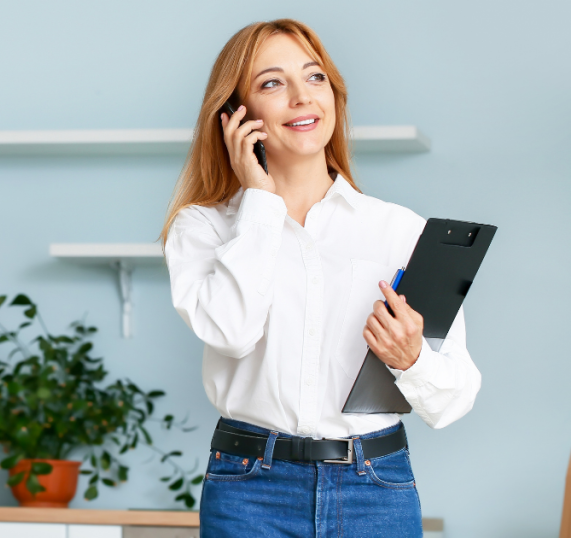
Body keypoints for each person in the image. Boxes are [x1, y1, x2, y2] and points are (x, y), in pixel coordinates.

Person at [160, 19, 481, 537]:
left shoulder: (400, 230)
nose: (301, 98)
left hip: (374, 488)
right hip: (249, 489)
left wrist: (413, 359)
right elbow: (231, 331)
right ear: (234, 117)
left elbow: (454, 399)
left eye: (314, 78)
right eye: (271, 83)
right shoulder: (202, 228)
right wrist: (260, 204)